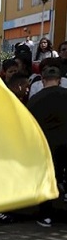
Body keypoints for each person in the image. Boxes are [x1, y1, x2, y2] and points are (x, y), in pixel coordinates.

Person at [27, 63, 67, 227]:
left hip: (47, 144)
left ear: (43, 80)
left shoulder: (35, 99)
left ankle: (46, 216)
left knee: (49, 178)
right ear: (59, 80)